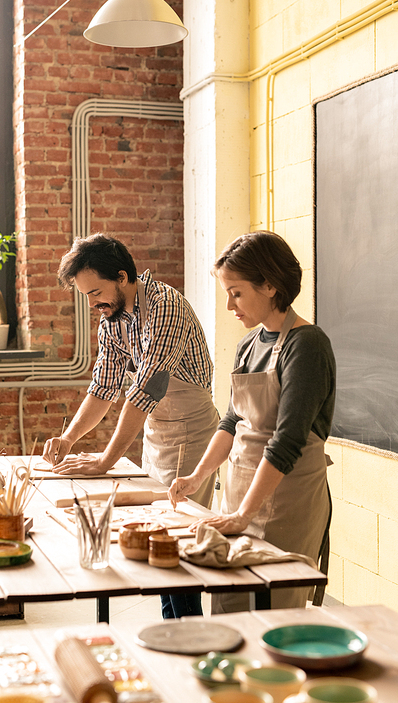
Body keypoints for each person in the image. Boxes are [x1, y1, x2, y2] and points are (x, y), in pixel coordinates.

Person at [43, 233, 220, 619]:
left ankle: (189, 632)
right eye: (86, 296)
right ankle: (173, 628)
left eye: (96, 292)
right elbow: (103, 388)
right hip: (158, 430)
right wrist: (69, 437)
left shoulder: (165, 306)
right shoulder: (114, 319)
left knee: (175, 542)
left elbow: (145, 389)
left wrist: (106, 460)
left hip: (192, 429)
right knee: (155, 541)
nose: (93, 304)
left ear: (122, 276)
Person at [168, 230, 336, 612]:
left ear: (271, 285)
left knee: (274, 612)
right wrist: (197, 477)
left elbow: (288, 440)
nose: (229, 305)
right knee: (229, 604)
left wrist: (245, 513)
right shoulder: (249, 343)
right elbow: (230, 421)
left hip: (289, 501)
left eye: (237, 292)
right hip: (238, 494)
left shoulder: (306, 345)